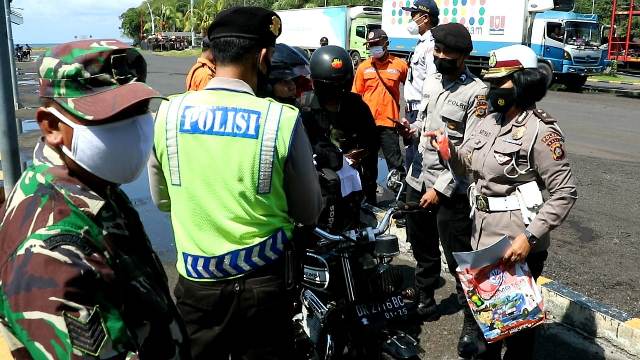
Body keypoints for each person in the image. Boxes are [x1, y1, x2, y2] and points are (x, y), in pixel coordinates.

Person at [147, 7, 323, 359]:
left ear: (212, 53)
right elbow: (308, 211)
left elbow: (162, 200)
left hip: (196, 289)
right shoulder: (280, 119)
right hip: (264, 288)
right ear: (261, 57)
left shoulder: (168, 113)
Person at [0, 40, 190, 359]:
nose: (134, 129)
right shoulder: (53, 256)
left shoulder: (91, 185)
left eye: (139, 110)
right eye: (109, 117)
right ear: (51, 126)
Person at [429, 44, 578, 359]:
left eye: (501, 82)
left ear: (523, 82)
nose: (493, 89)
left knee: (517, 331)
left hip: (516, 244)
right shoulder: (489, 119)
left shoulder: (540, 130)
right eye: (492, 82)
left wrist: (529, 237)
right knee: (488, 327)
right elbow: (468, 164)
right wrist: (450, 152)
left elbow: (564, 192)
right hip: (482, 235)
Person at [401, 24, 488, 335]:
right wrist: (410, 131)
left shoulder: (476, 93)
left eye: (445, 53)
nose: (439, 57)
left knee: (459, 256)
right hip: (417, 177)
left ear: (462, 57)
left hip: (450, 188)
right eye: (436, 51)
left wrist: (440, 189)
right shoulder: (434, 82)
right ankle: (425, 297)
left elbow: (470, 150)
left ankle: (471, 316)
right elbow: (427, 124)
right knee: (421, 244)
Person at [299, 45, 380, 205]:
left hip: (353, 184)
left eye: (340, 86)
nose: (335, 94)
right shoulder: (304, 106)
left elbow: (372, 143)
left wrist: (358, 157)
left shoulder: (357, 106)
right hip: (317, 184)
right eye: (330, 87)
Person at [352, 29, 408, 183]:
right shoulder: (363, 67)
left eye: (376, 44)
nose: (373, 47)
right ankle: (369, 199)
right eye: (370, 45)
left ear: (386, 43)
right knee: (368, 165)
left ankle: (400, 199)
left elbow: (412, 89)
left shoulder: (400, 65)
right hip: (367, 124)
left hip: (389, 124)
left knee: (395, 165)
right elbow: (355, 96)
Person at [401, 0, 439, 171]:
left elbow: (432, 82)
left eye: (413, 15)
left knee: (418, 155)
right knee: (411, 151)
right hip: (412, 109)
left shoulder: (431, 44)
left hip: (420, 110)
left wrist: (423, 114)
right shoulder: (421, 42)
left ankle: (415, 195)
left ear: (425, 18)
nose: (410, 18)